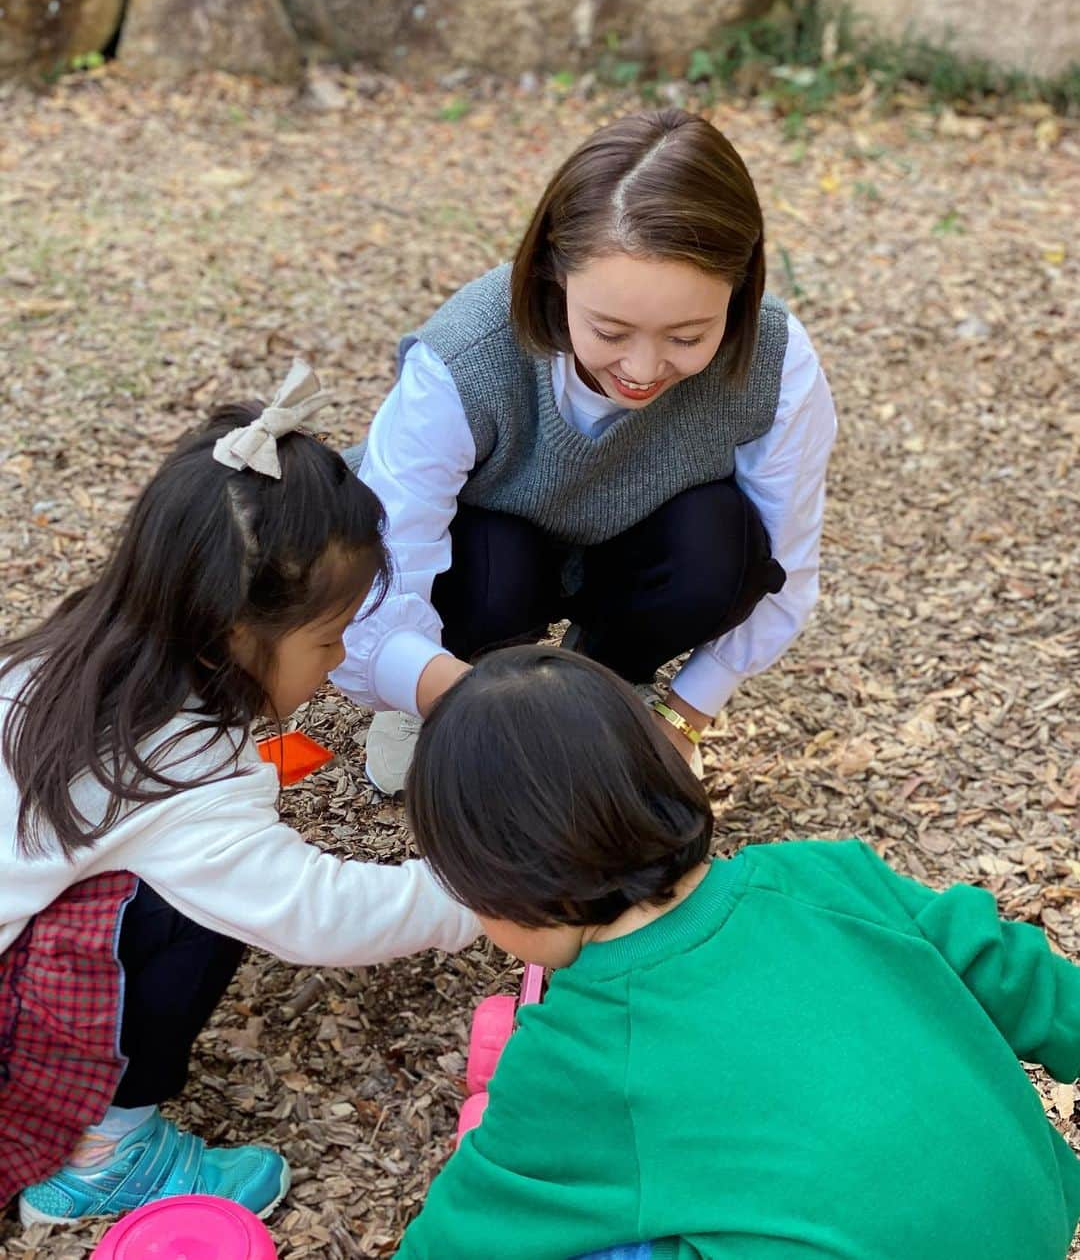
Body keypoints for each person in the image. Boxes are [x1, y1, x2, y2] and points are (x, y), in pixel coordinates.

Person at [397, 646, 1080, 1259]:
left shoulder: (578, 1050)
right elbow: (1014, 969)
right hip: (1029, 1209)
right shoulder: (828, 874)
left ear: (515, 885)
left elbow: (469, 1223)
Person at [0, 363, 479, 1228]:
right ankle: (106, 1156)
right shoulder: (171, 769)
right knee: (190, 905)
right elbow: (311, 908)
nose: (338, 664)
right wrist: (485, 891)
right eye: (329, 640)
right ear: (230, 633)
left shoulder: (75, 657)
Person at [333, 107, 837, 794]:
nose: (641, 366)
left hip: (637, 552)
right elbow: (386, 562)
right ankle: (451, 680)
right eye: (610, 329)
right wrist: (454, 700)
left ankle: (609, 675)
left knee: (724, 541)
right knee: (491, 560)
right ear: (554, 275)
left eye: (687, 336)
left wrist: (683, 720)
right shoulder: (468, 355)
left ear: (741, 286)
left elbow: (787, 568)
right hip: (484, 564)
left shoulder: (776, 360)